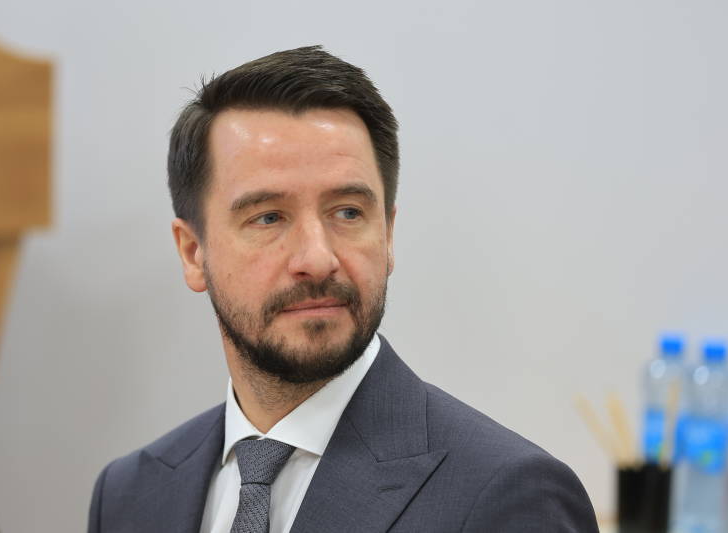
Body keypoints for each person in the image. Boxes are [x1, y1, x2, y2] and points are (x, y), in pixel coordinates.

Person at [87, 46, 598, 533]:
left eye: (348, 212)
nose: (317, 259)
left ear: (388, 235)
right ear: (193, 252)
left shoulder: (508, 494)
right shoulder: (131, 494)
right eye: (268, 217)